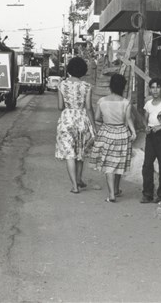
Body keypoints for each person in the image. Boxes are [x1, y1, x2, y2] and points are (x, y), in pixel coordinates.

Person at [88, 73, 137, 203]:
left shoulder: (102, 101)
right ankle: (116, 189)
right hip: (122, 134)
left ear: (110, 86)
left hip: (107, 133)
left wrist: (106, 117)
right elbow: (128, 118)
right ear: (123, 87)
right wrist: (133, 132)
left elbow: (97, 117)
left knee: (109, 164)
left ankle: (111, 194)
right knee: (118, 162)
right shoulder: (126, 103)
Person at [55, 57, 95, 194]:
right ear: (83, 70)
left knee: (69, 154)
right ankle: (79, 179)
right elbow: (89, 107)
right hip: (81, 119)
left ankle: (75, 186)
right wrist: (93, 125)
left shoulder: (62, 85)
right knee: (80, 151)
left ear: (70, 69)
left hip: (67, 120)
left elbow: (60, 107)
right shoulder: (87, 86)